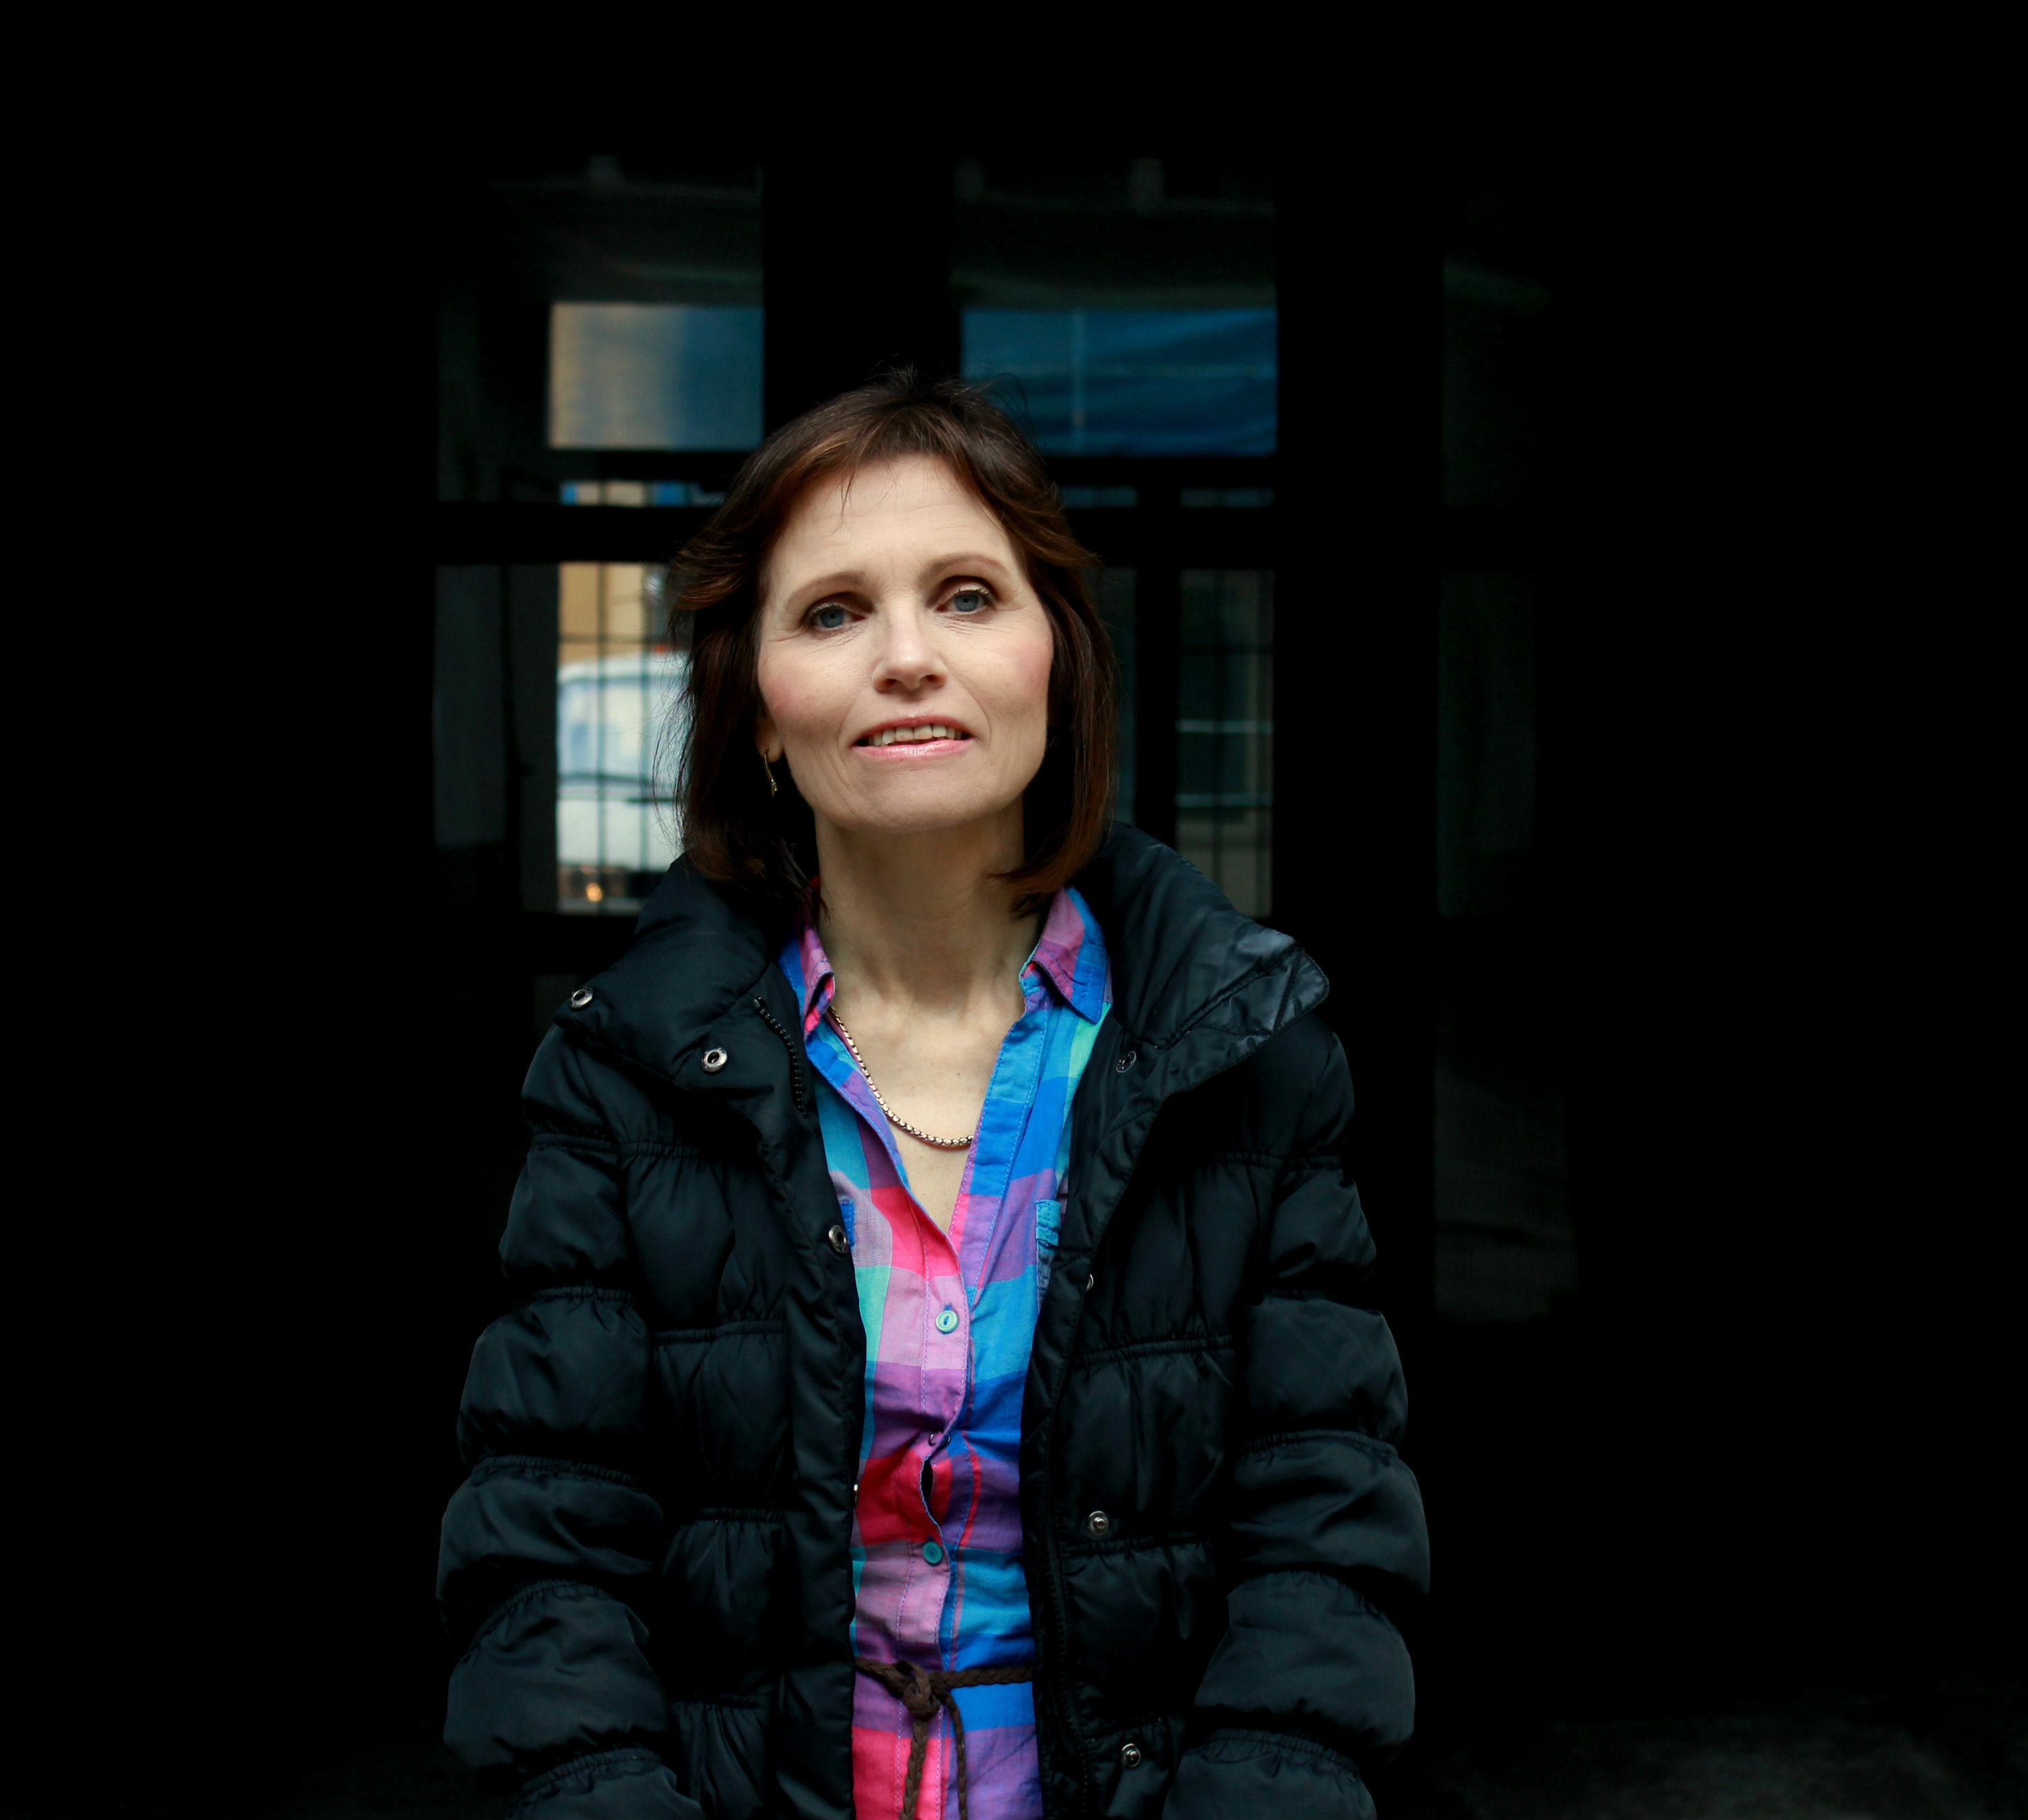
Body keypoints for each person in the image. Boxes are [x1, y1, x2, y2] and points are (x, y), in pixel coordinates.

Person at [437, 370, 1427, 1820]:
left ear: (1055, 661)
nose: (906, 656)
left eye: (967, 595)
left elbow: (1320, 1539)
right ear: (757, 712)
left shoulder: (1241, 1050)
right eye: (833, 612)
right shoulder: (624, 1069)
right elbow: (546, 1548)